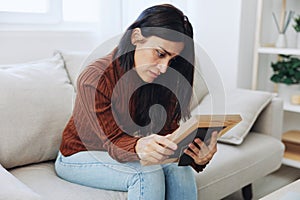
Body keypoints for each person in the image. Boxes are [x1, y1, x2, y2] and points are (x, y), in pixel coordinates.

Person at [55, 4, 217, 200]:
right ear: (136, 37)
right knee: (147, 173)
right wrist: (138, 147)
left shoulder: (161, 79)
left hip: (124, 149)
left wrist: (194, 157)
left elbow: (166, 135)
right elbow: (112, 142)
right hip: (79, 155)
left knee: (179, 169)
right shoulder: (96, 76)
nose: (165, 67)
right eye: (160, 53)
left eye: (172, 59)